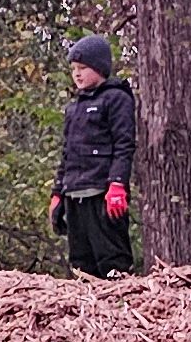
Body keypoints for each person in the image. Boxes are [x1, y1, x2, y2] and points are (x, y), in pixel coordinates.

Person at [51, 35, 136, 277]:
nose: (77, 74)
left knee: (112, 260)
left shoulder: (117, 98)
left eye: (83, 68)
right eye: (74, 69)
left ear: (99, 68)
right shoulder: (73, 107)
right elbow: (67, 153)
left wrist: (117, 184)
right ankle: (86, 312)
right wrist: (58, 193)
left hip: (102, 193)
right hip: (74, 193)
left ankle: (120, 307)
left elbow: (124, 145)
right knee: (80, 264)